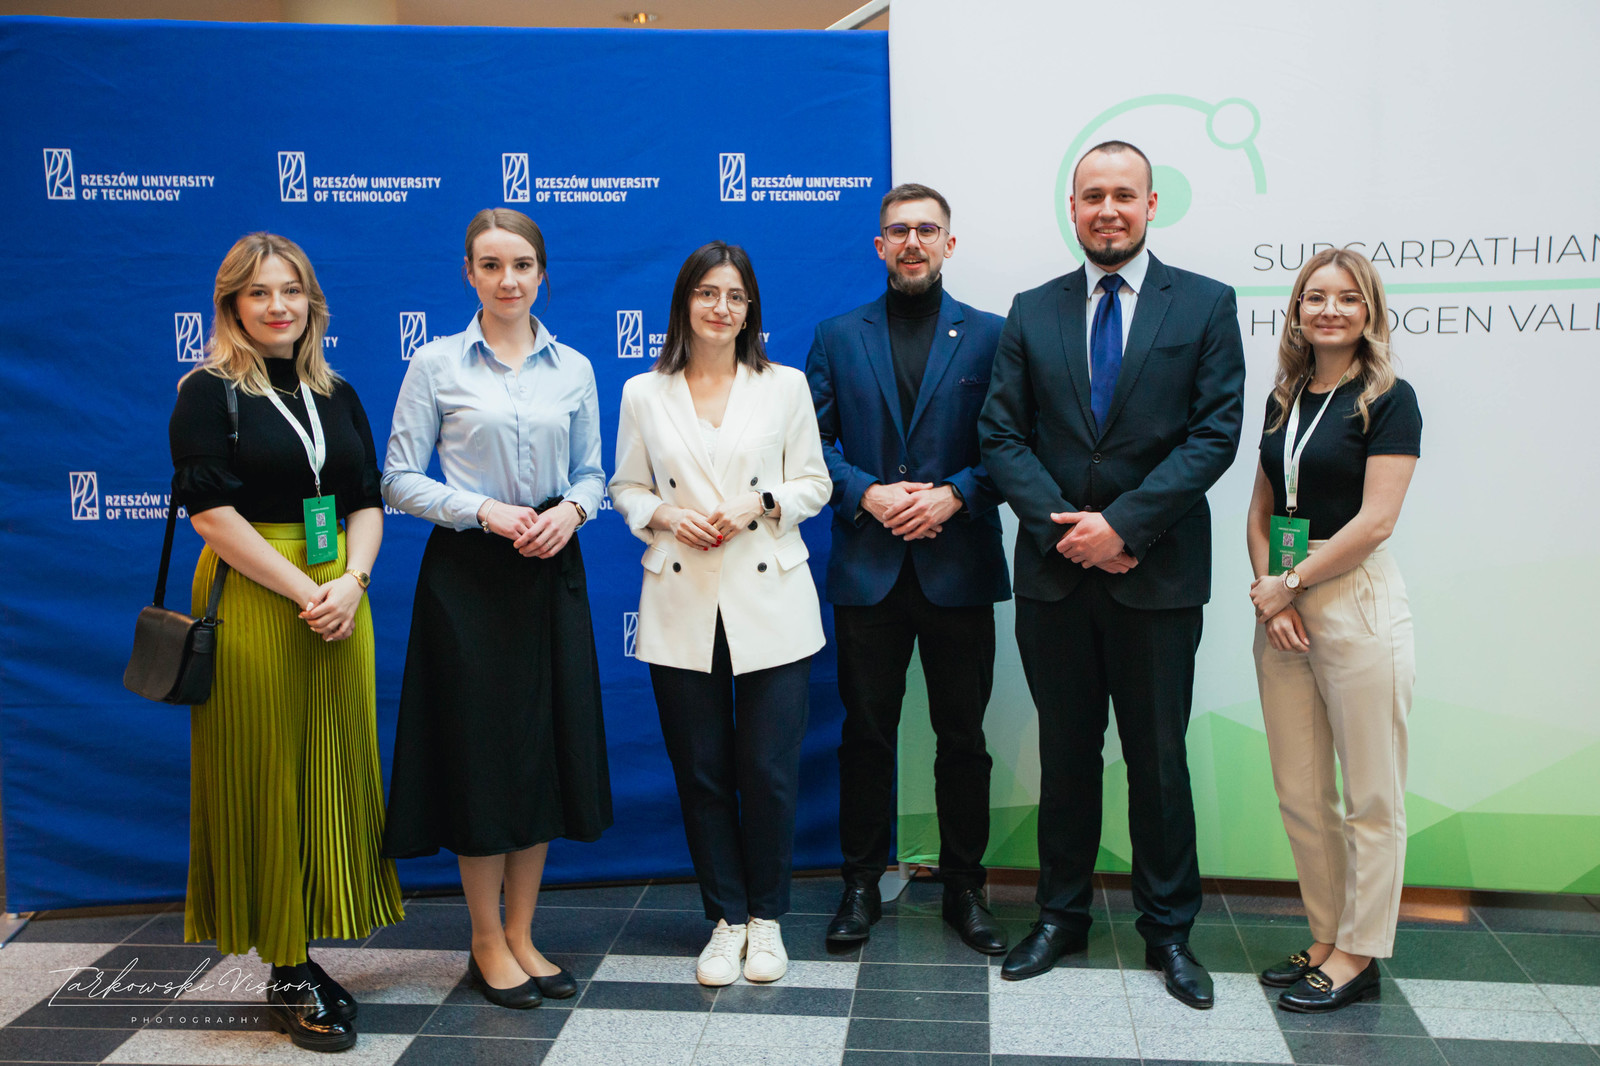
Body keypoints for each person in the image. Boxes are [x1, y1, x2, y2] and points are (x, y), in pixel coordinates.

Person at [978, 141, 1245, 1008]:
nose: (1108, 210)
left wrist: (1123, 526)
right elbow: (1001, 434)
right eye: (1092, 195)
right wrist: (1070, 533)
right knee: (1066, 756)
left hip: (1156, 578)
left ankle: (1169, 933)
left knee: (1158, 761)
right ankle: (1061, 917)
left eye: (1124, 195)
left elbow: (1215, 433)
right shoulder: (1032, 310)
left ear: (1152, 204)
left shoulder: (1204, 303)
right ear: (1072, 207)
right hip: (1057, 577)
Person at [168, 232, 403, 1052]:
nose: (278, 306)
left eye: (292, 290)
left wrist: (353, 583)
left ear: (312, 302)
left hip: (341, 598)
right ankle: (289, 966)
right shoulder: (207, 391)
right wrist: (307, 590)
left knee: (329, 769)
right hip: (261, 600)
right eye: (260, 292)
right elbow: (210, 516)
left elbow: (366, 500)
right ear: (233, 304)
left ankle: (311, 939)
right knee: (270, 775)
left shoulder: (336, 392)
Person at [381, 208, 612, 1011]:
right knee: (481, 760)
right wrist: (481, 510)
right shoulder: (436, 362)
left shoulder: (574, 367)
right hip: (469, 576)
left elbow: (594, 474)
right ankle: (485, 938)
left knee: (539, 754)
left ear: (542, 273)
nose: (507, 280)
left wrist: (572, 512)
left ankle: (522, 932)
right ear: (469, 274)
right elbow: (397, 479)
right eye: (490, 265)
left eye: (521, 265)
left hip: (550, 569)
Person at [610, 241, 831, 987]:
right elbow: (626, 488)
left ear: (750, 309)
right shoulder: (644, 391)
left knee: (767, 770)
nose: (721, 307)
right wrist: (668, 516)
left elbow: (815, 483)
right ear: (684, 303)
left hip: (771, 597)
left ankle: (767, 920)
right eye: (707, 293)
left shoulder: (784, 385)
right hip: (681, 596)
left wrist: (759, 503)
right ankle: (725, 920)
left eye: (735, 296)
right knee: (701, 771)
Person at [805, 183, 1011, 955]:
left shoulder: (992, 336)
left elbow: (1013, 446)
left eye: (927, 229)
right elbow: (809, 446)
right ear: (880, 246)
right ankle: (860, 886)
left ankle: (965, 889)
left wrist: (956, 495)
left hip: (959, 568)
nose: (913, 242)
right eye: (899, 231)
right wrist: (868, 492)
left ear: (949, 244)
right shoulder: (836, 336)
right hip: (869, 570)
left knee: (964, 740)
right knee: (865, 737)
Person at [1247, 248, 1420, 1013]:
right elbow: (1260, 512)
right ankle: (1326, 934)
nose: (1329, 309)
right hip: (1282, 601)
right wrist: (1275, 598)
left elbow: (1376, 521)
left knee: (1371, 795)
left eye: (1348, 298)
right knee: (1301, 790)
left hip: (1352, 594)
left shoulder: (1390, 398)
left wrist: (1291, 584)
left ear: (1369, 311)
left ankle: (1360, 950)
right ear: (1296, 311)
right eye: (1314, 297)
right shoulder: (1284, 398)